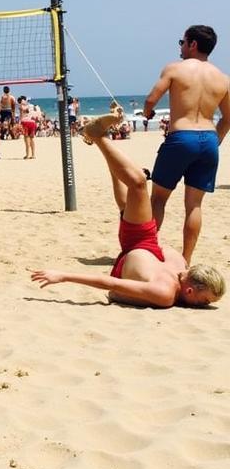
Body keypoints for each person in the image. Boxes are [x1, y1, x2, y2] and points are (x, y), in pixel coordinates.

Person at [31, 112, 224, 308]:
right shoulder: (181, 267)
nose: (205, 304)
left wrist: (63, 276)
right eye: (206, 300)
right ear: (191, 288)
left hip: (135, 244)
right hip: (146, 240)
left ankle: (98, 136)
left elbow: (112, 285)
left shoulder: (165, 293)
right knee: (128, 201)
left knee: (138, 182)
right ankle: (108, 155)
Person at [142, 25, 230, 264]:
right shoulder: (223, 78)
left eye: (182, 42)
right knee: (194, 206)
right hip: (208, 140)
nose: (180, 47)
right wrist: (216, 139)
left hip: (182, 136)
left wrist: (147, 113)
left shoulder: (175, 69)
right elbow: (228, 118)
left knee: (158, 199)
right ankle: (186, 260)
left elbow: (151, 100)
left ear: (192, 44)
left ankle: (147, 249)